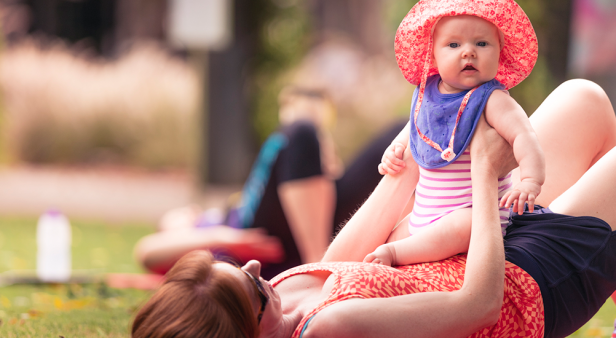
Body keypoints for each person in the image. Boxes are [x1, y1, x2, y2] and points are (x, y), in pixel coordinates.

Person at [131, 78, 616, 338]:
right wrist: (484, 174)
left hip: (463, 239)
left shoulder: (280, 291)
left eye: (239, 266)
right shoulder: (328, 329)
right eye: (252, 285)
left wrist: (422, 137)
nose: (258, 267)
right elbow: (479, 307)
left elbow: (346, 253)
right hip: (517, 286)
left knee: (583, 100)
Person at [134, 86, 407, 279]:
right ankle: (319, 274)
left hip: (319, 223)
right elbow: (146, 251)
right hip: (257, 235)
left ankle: (325, 267)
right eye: (181, 217)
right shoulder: (205, 234)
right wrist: (225, 238)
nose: (188, 211)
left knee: (404, 132)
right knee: (299, 130)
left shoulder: (221, 212)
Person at [364, 0, 546, 267]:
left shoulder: (491, 99)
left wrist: (530, 180)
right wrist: (395, 149)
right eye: (454, 45)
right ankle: (394, 251)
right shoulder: (427, 95)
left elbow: (524, 136)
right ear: (433, 54)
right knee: (386, 237)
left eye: (482, 44)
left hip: (475, 216)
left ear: (500, 51)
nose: (469, 52)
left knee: (464, 225)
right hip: (424, 215)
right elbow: (413, 129)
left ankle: (396, 253)